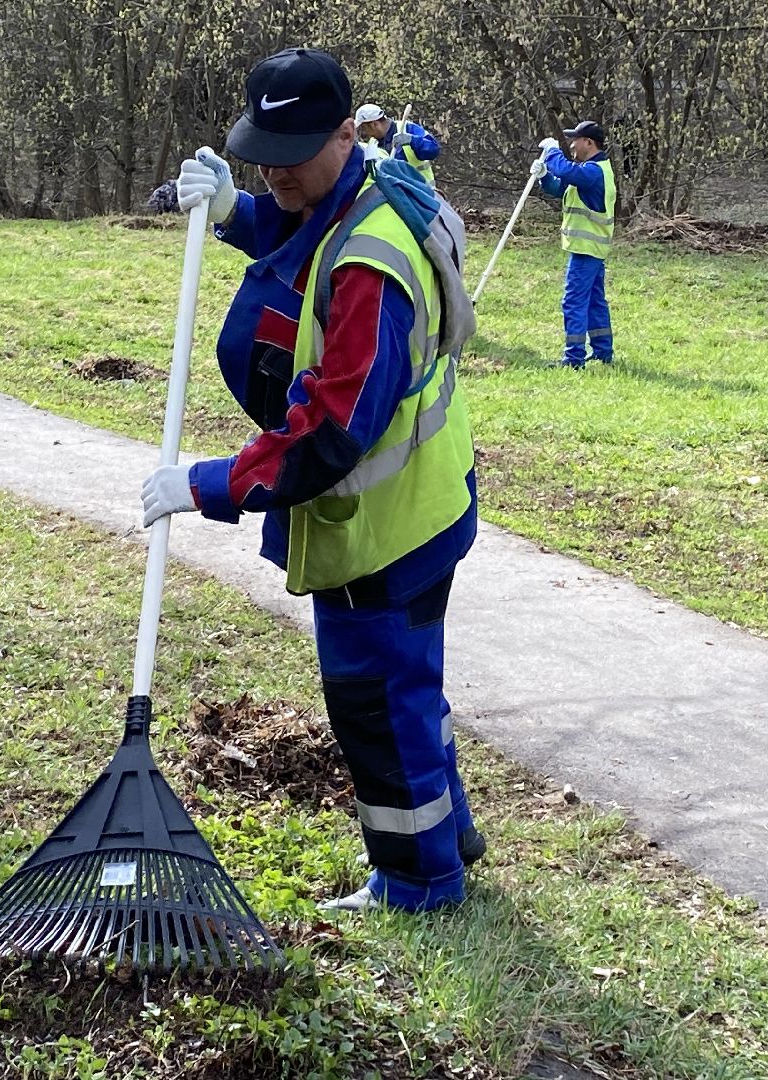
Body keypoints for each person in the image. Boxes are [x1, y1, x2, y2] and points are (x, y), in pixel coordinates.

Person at [143, 47, 482, 914]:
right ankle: (453, 838)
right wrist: (234, 211)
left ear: (346, 129)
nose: (276, 170)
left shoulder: (373, 268)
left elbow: (332, 431)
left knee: (377, 702)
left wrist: (213, 485)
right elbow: (308, 228)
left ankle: (418, 881)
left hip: (386, 527)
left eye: (294, 151)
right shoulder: (373, 186)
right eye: (263, 150)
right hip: (427, 499)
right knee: (411, 685)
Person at [536, 120, 615, 368]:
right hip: (590, 249)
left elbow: (567, 172)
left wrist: (551, 151)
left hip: (585, 249)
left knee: (573, 302)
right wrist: (544, 176)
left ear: (589, 143)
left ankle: (573, 358)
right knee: (594, 301)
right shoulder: (589, 170)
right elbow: (561, 187)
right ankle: (602, 352)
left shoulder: (593, 172)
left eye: (575, 140)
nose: (571, 145)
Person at [354, 103, 440, 185]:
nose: (364, 132)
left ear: (374, 124)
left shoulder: (407, 129)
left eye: (364, 128)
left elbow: (433, 149)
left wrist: (411, 140)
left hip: (424, 193)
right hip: (398, 196)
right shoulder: (373, 144)